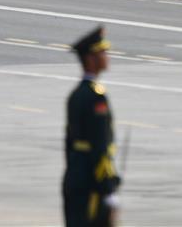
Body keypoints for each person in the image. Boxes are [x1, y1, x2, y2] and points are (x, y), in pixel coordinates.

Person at [63, 26, 120, 226]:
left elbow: (69, 143)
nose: (107, 56)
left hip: (76, 175)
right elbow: (100, 145)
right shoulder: (96, 98)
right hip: (92, 181)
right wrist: (107, 186)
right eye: (102, 52)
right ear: (90, 59)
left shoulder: (76, 94)